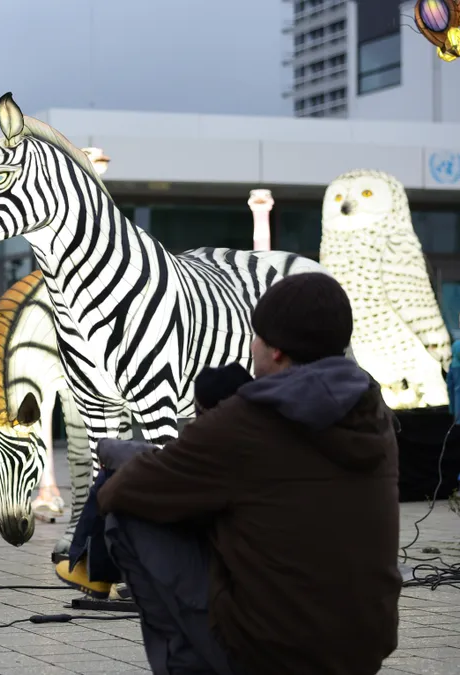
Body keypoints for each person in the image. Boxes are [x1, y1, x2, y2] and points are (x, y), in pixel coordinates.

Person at [87, 273, 401, 675]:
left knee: (125, 510)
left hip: (271, 655)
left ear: (276, 352)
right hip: (363, 649)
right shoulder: (374, 413)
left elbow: (127, 490)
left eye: (255, 336)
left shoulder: (250, 418)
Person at [56, 363, 254, 598]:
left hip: (216, 575)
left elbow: (152, 465)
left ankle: (94, 571)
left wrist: (106, 451)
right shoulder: (265, 439)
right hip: (259, 566)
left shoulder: (206, 451)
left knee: (113, 484)